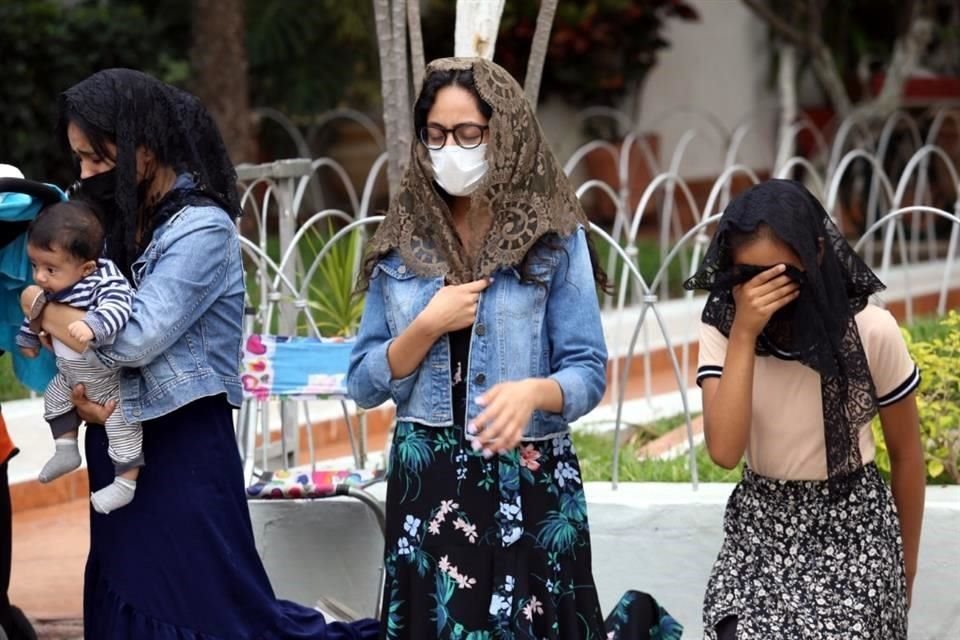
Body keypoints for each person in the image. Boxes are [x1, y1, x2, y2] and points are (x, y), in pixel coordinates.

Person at [25, 69, 378, 639]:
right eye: (79, 161)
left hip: (182, 446)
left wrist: (44, 310)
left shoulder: (201, 228)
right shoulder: (112, 222)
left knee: (211, 610)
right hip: (115, 438)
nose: (84, 176)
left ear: (143, 147)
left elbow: (135, 337)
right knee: (128, 590)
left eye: (96, 159)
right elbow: (60, 303)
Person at [348, 57, 681, 640]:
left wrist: (533, 393)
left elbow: (587, 371)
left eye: (469, 133)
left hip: (527, 478)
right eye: (437, 134)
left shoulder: (555, 239)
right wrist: (426, 326)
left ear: (504, 134)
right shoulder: (402, 243)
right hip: (428, 483)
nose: (452, 148)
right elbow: (363, 383)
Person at [684, 179, 925, 640]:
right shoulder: (724, 327)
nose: (762, 293)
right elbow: (724, 451)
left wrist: (904, 568)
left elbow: (908, 453)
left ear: (815, 254)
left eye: (779, 276)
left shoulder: (871, 330)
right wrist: (744, 334)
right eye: (748, 278)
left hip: (852, 528)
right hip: (761, 529)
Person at [18, 202, 139, 514]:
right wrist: (29, 337)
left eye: (49, 269)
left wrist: (92, 325)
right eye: (35, 266)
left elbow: (120, 305)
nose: (41, 278)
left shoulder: (102, 280)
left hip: (110, 380)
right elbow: (36, 309)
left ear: (86, 267)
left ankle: (125, 483)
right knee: (54, 398)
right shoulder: (58, 285)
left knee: (123, 427)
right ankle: (66, 448)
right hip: (71, 375)